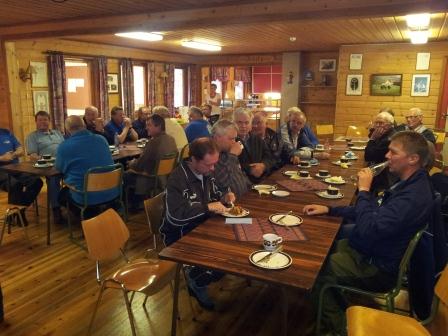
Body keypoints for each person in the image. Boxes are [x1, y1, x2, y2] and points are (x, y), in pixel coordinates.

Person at [303, 131, 434, 334]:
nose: (387, 156)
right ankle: (338, 305)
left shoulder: (413, 197)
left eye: (393, 152)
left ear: (413, 159)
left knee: (313, 271)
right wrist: (330, 209)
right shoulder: (408, 184)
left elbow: (369, 229)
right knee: (317, 250)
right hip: (369, 251)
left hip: (376, 267)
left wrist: (363, 191)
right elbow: (373, 213)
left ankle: (342, 328)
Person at [160, 137, 235, 310]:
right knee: (224, 259)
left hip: (203, 227)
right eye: (209, 165)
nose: (213, 168)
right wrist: (207, 207)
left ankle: (199, 275)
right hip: (180, 235)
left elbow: (216, 193)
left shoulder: (206, 172)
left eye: (214, 164)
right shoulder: (177, 179)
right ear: (193, 159)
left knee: (235, 249)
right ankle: (196, 280)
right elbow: (175, 218)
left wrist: (224, 197)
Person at [55, 116, 117, 212]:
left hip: (86, 196)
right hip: (112, 190)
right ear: (84, 125)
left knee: (61, 196)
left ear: (67, 129)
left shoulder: (64, 146)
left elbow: (59, 169)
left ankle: (89, 215)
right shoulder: (101, 139)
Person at [125, 114, 177, 207]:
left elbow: (139, 165)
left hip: (152, 178)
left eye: (149, 125)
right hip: (165, 177)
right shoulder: (171, 139)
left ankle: (133, 206)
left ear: (159, 126)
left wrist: (130, 163)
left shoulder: (153, 142)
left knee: (125, 175)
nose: (146, 128)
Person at [25, 110, 64, 222]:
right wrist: (45, 160)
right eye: (40, 120)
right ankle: (56, 209)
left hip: (63, 163)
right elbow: (32, 156)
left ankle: (75, 202)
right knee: (53, 179)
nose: (43, 122)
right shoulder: (32, 137)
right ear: (36, 122)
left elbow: (65, 147)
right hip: (47, 167)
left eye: (45, 119)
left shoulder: (57, 133)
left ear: (49, 121)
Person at [0, 128, 43, 221]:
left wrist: (14, 155)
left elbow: (20, 150)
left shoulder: (7, 133)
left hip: (15, 167)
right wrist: (2, 157)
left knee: (37, 181)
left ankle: (19, 211)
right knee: (15, 185)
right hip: (1, 170)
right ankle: (17, 215)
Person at [212, 119, 251, 198]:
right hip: (227, 205)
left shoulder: (226, 152)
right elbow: (224, 183)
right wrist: (232, 155)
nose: (234, 142)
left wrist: (252, 189)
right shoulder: (210, 155)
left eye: (235, 138)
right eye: (231, 139)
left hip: (246, 198)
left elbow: (240, 175)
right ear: (217, 138)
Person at [234, 108, 275, 183]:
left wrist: (263, 165)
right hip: (241, 183)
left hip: (260, 181)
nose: (243, 126)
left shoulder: (257, 139)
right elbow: (230, 164)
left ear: (251, 124)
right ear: (233, 123)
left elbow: (269, 157)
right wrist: (250, 169)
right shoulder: (230, 140)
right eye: (239, 122)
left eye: (247, 122)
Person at [364, 111, 397, 192]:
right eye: (376, 123)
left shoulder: (389, 139)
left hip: (384, 177)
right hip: (379, 170)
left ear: (390, 124)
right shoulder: (384, 134)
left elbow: (368, 156)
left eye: (381, 123)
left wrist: (372, 139)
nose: (378, 125)